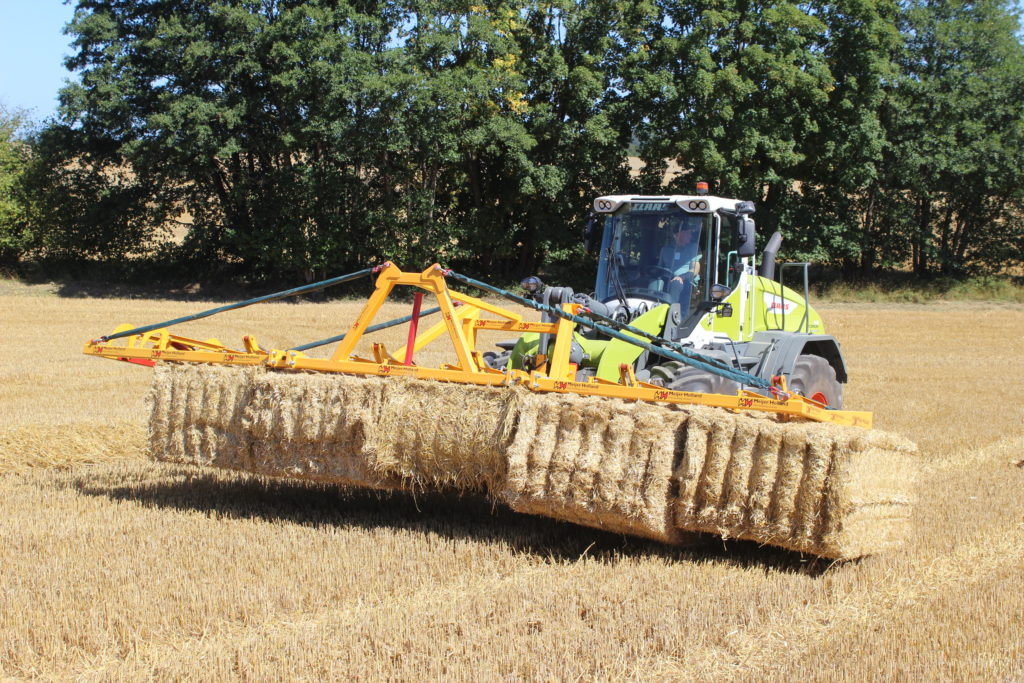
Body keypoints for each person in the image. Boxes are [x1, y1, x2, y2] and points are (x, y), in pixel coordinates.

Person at [658, 222, 702, 308]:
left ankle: (671, 313)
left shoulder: (693, 248)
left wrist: (682, 277)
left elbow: (695, 270)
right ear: (679, 234)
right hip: (668, 281)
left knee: (676, 283)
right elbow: (659, 268)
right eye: (688, 233)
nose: (691, 236)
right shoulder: (665, 250)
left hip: (687, 282)